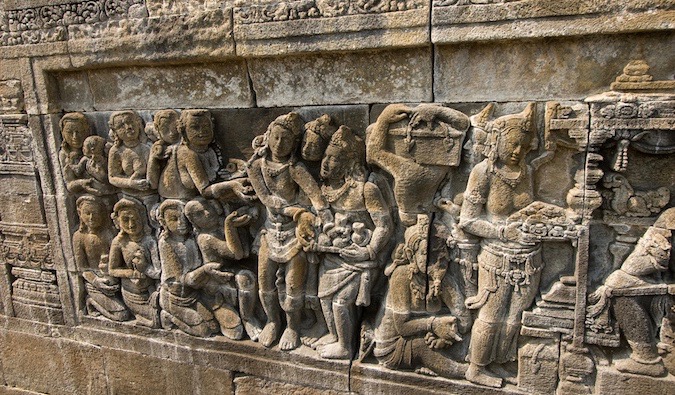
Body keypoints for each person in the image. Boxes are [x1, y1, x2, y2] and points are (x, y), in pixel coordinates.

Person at [458, 103, 541, 388]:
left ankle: (502, 362)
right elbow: (467, 220)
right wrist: (502, 232)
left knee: (515, 317)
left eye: (524, 145)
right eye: (513, 144)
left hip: (529, 256)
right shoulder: (484, 172)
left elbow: (528, 209)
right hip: (496, 257)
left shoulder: (527, 171)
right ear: (497, 141)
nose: (519, 151)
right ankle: (477, 368)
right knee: (491, 316)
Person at [246, 112, 333, 351]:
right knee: (265, 282)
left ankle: (292, 326)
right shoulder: (256, 166)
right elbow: (268, 200)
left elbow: (316, 196)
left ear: (294, 144)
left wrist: (326, 219)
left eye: (286, 140)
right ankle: (273, 321)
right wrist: (296, 211)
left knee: (294, 285)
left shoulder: (295, 169)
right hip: (269, 233)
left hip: (295, 236)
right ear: (268, 136)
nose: (279, 144)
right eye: (275, 137)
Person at [314, 125, 393, 359]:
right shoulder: (327, 188)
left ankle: (345, 346)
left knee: (341, 303)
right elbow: (322, 220)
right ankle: (336, 335)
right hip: (333, 254)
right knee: (324, 300)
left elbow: (384, 225)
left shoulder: (366, 188)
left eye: (334, 159)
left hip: (361, 259)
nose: (325, 162)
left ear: (349, 162)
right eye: (325, 156)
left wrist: (368, 251)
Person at [373, 215, 467, 378]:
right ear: (411, 255)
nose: (433, 260)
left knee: (464, 348)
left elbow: (464, 320)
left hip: (430, 338)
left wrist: (445, 339)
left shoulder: (444, 281)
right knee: (422, 347)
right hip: (394, 345)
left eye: (438, 253)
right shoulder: (402, 276)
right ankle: (466, 373)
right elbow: (402, 327)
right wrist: (433, 324)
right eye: (425, 254)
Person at [184, 197, 263, 341]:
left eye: (207, 208)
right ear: (194, 222)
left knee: (251, 276)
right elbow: (236, 253)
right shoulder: (205, 238)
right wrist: (230, 226)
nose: (207, 213)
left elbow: (244, 252)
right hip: (217, 281)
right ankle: (247, 318)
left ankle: (251, 316)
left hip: (234, 269)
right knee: (245, 279)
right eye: (200, 214)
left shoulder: (219, 225)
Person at [156, 109, 253, 203]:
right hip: (180, 203)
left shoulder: (210, 149)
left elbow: (219, 170)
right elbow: (205, 191)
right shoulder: (188, 153)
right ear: (183, 130)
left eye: (206, 126)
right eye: (195, 127)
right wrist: (233, 185)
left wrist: (239, 167)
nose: (202, 131)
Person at [156, 199, 219, 337]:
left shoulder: (192, 239)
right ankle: (168, 316)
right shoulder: (166, 243)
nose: (181, 223)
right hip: (174, 298)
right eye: (174, 219)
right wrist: (205, 270)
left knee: (213, 326)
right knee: (204, 331)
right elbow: (182, 278)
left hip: (192, 294)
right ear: (164, 222)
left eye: (184, 218)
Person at [72, 195, 129, 321]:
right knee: (122, 315)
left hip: (113, 279)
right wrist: (96, 281)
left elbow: (120, 260)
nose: (92, 218)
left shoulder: (109, 233)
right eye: (87, 213)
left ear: (103, 214)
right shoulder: (79, 237)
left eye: (96, 213)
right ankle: (91, 302)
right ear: (79, 213)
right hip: (94, 281)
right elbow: (83, 268)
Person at [108, 197, 161, 328]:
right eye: (125, 220)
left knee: (161, 317)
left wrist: (145, 267)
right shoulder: (119, 242)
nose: (131, 224)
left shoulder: (150, 241)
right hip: (131, 293)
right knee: (155, 321)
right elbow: (112, 270)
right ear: (118, 222)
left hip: (150, 291)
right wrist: (132, 273)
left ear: (142, 218)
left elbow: (158, 272)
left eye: (134, 219)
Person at [59, 112, 96, 195]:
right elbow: (69, 184)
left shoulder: (96, 147)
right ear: (63, 134)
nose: (75, 137)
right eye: (69, 132)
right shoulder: (65, 155)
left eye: (79, 131)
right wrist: (81, 183)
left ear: (87, 131)